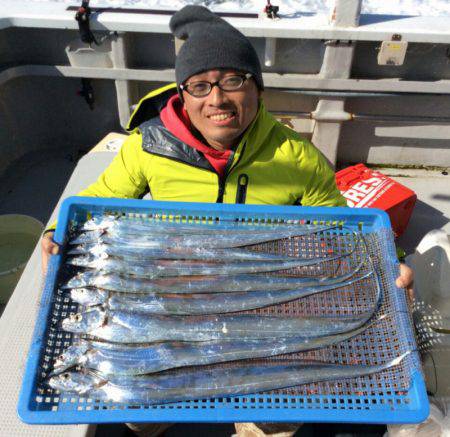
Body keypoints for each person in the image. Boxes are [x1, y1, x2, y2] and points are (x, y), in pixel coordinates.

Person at [41, 5, 413, 437]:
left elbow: (340, 226)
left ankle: (262, 421)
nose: (216, 99)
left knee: (280, 413)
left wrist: (391, 263)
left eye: (233, 80)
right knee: (141, 406)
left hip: (263, 297)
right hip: (164, 290)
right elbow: (100, 199)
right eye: (200, 85)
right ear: (183, 94)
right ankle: (153, 421)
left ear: (258, 88)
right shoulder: (146, 147)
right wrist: (55, 232)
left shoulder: (296, 157)